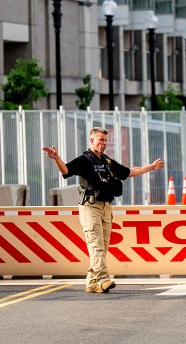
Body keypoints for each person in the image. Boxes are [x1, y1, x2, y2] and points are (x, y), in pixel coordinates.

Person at [42, 126, 163, 293]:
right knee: (96, 245)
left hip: (106, 207)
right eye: (101, 140)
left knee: (102, 247)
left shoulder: (106, 161)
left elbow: (128, 172)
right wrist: (57, 158)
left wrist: (151, 167)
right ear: (92, 140)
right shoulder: (84, 160)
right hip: (90, 206)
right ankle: (103, 278)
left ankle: (92, 282)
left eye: (106, 140)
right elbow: (66, 170)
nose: (104, 143)